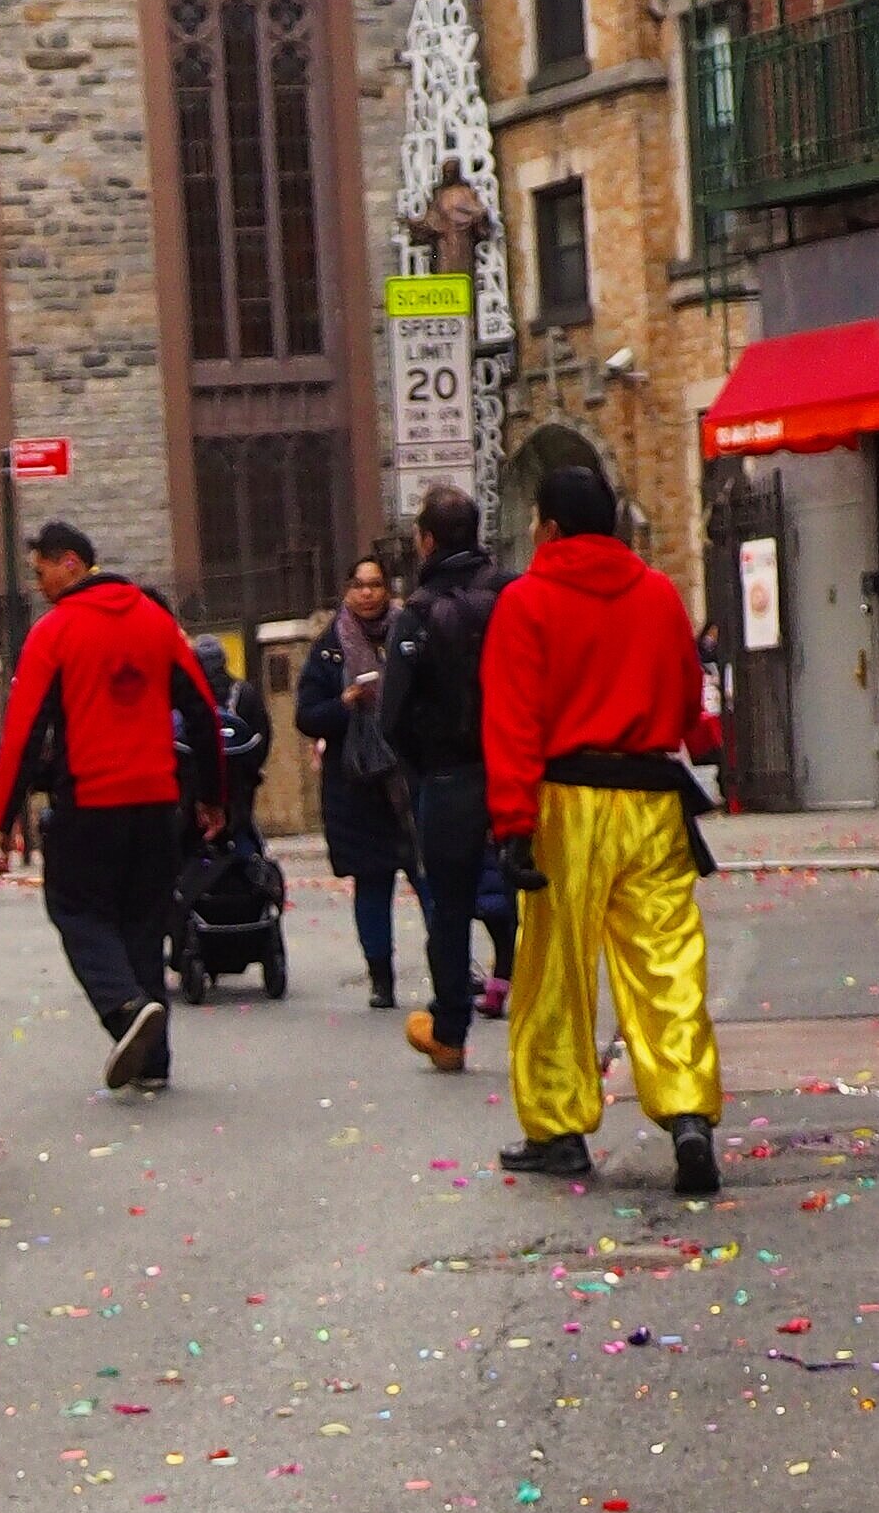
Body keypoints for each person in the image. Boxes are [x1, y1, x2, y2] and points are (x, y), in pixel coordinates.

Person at [480, 458, 723, 1196]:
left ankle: (559, 1129)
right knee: (666, 961)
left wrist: (513, 821)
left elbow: (514, 718)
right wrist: (702, 742)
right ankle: (687, 1112)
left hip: (566, 799)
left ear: (548, 527)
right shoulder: (657, 594)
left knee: (555, 967)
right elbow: (686, 689)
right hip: (651, 798)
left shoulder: (527, 602)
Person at [0, 520, 223, 1092]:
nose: (39, 585)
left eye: (41, 571)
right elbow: (203, 713)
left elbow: (21, 735)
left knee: (76, 911)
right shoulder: (156, 621)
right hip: (155, 803)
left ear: (70, 563)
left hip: (89, 802)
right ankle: (153, 1061)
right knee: (142, 921)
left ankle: (122, 1008)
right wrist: (214, 797)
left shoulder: (54, 633)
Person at [380, 481, 505, 1070]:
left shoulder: (419, 614)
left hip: (450, 776)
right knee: (528, 892)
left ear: (427, 541)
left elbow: (391, 714)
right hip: (514, 767)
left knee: (449, 907)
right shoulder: (511, 595)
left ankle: (450, 1032)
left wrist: (422, 769)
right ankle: (545, 1018)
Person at [296, 551, 421, 1008]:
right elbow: (306, 716)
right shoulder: (329, 647)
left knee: (426, 878)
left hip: (407, 780)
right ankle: (381, 978)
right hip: (358, 787)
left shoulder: (409, 631)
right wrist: (344, 703)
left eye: (375, 584)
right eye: (358, 585)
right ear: (346, 592)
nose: (367, 593)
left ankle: (451, 966)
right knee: (373, 882)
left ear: (387, 589)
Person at [190, 635, 272, 846]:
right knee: (242, 834)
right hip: (240, 786)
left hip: (196, 788)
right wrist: (250, 771)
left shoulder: (189, 697)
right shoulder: (244, 693)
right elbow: (262, 735)